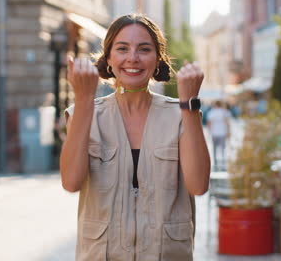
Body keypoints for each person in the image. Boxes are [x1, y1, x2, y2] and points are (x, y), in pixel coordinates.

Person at [60, 14, 210, 261]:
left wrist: (189, 103)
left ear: (157, 58)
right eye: (122, 49)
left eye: (144, 49)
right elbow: (71, 182)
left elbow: (198, 185)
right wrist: (84, 100)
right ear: (108, 58)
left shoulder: (180, 114)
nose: (133, 58)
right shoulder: (84, 113)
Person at [206, 100, 231, 171]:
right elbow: (227, 123)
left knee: (214, 149)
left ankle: (216, 163)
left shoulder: (211, 112)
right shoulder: (225, 112)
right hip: (222, 132)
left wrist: (209, 133)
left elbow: (209, 124)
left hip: (214, 133)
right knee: (223, 148)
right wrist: (228, 132)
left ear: (215, 105)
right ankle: (223, 162)